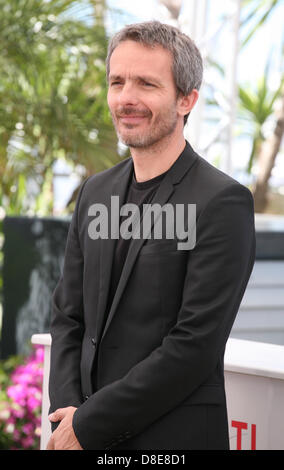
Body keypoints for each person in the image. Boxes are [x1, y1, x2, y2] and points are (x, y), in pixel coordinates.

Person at [47, 21, 255, 450]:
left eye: (146, 83)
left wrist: (88, 425)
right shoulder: (94, 192)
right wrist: (68, 417)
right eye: (117, 82)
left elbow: (193, 347)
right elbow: (68, 318)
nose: (127, 98)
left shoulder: (222, 202)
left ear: (186, 99)